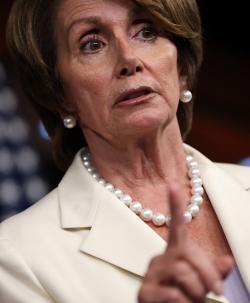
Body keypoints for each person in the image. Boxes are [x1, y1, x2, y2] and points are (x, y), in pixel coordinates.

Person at [0, 0, 250, 302]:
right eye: (92, 44)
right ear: (60, 95)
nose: (129, 59)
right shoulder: (17, 257)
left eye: (146, 32)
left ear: (181, 67)